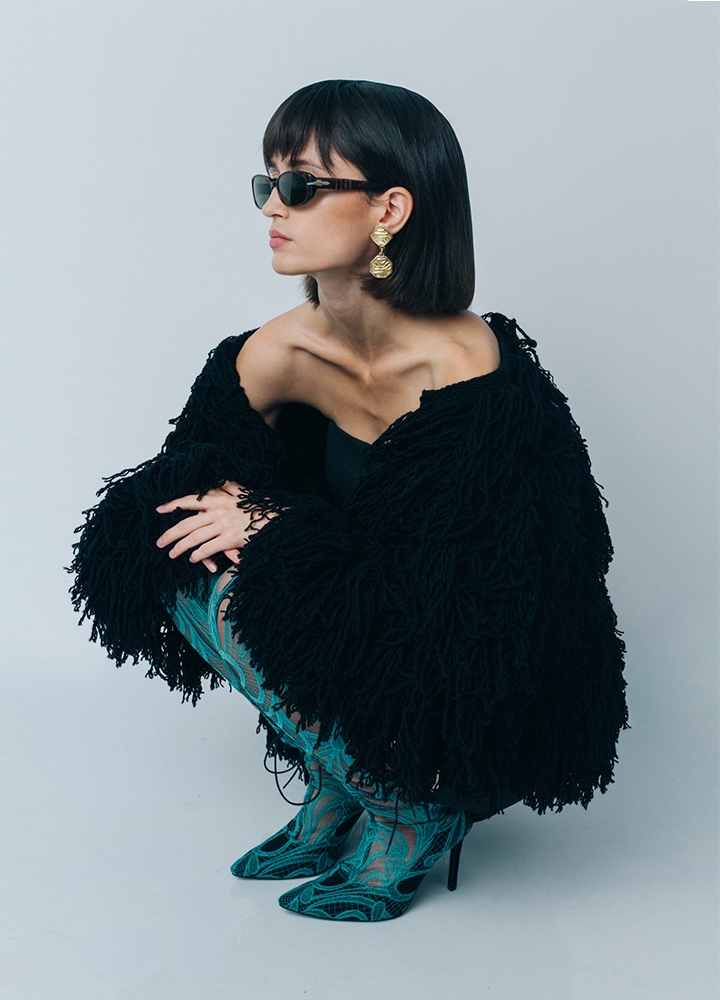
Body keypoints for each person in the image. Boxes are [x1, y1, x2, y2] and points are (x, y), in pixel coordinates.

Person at [70, 80, 628, 922]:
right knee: (178, 548)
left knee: (265, 558)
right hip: (369, 628)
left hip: (481, 672)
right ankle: (344, 777)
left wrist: (272, 519)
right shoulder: (279, 351)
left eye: (301, 184)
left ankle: (414, 808)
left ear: (389, 210)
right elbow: (176, 488)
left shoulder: (465, 368)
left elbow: (465, 597)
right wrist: (236, 511)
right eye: (268, 182)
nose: (273, 206)